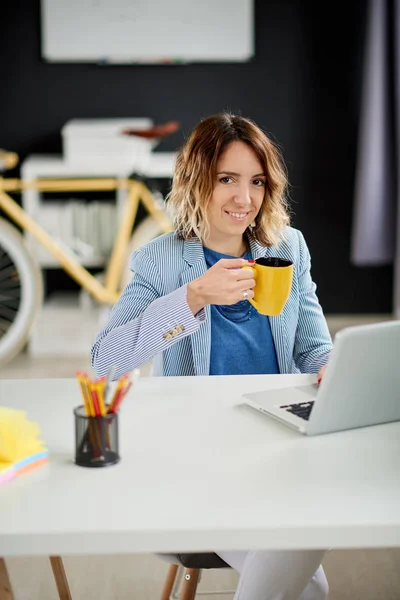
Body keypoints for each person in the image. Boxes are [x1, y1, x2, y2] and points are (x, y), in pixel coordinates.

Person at [91, 112, 332, 600]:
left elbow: (313, 345)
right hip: (190, 463)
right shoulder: (160, 260)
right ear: (197, 180)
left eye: (257, 182)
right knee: (311, 578)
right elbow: (103, 362)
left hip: (274, 453)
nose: (244, 199)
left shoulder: (288, 247)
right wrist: (193, 297)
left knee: (311, 582)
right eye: (227, 179)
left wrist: (330, 369)